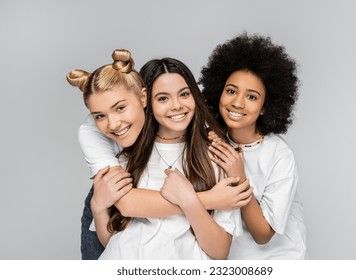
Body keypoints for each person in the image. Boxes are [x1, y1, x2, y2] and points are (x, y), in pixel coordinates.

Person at [69, 51, 249, 259]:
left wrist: (190, 202)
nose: (176, 105)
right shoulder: (124, 154)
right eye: (163, 98)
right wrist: (98, 208)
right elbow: (114, 241)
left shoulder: (215, 156)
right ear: (147, 101)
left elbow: (220, 252)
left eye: (184, 94)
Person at [199, 32, 307, 259]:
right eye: (231, 91)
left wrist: (239, 178)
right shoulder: (211, 141)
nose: (237, 102)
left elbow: (262, 234)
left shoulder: (279, 154)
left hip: (276, 261)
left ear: (266, 107)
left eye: (251, 97)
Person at [67, 49, 146, 258]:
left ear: (143, 98)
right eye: (100, 115)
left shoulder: (164, 109)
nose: (113, 124)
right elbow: (124, 201)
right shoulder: (89, 131)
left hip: (154, 196)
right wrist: (208, 200)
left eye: (120, 108)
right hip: (111, 204)